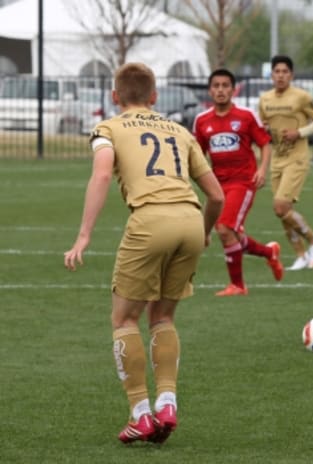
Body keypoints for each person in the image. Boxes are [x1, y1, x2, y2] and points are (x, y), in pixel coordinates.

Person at [63, 62, 224, 444]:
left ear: (115, 97)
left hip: (150, 221)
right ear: (154, 97)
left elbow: (102, 174)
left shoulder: (109, 127)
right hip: (189, 217)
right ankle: (167, 401)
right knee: (163, 316)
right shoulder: (180, 130)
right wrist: (202, 232)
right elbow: (216, 194)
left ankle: (141, 414)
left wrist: (84, 235)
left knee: (124, 320)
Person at [193, 68, 284, 297]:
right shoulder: (202, 121)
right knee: (232, 233)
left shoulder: (245, 116)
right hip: (217, 185)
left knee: (224, 229)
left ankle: (238, 286)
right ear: (210, 90)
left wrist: (263, 169)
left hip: (243, 182)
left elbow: (265, 143)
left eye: (225, 86)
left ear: (233, 90)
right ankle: (268, 252)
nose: (221, 90)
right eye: (216, 86)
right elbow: (198, 154)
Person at [257, 55, 313, 271]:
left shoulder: (302, 97)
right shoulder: (265, 99)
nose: (280, 75)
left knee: (280, 206)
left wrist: (300, 132)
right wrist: (266, 130)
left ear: (291, 75)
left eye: (285, 72)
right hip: (277, 159)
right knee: (283, 211)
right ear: (271, 75)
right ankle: (301, 255)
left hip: (297, 158)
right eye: (277, 71)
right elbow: (263, 125)